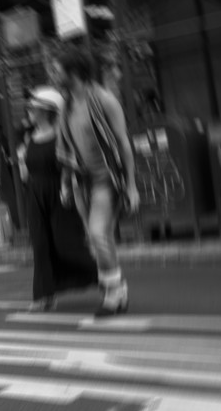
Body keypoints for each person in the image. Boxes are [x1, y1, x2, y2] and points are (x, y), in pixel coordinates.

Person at [56, 50, 138, 317]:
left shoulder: (104, 100)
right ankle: (115, 290)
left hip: (107, 179)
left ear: (73, 73)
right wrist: (66, 183)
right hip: (82, 181)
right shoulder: (67, 105)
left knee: (98, 234)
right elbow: (66, 148)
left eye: (57, 70)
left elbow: (124, 143)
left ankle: (115, 293)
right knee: (97, 240)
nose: (53, 75)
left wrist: (131, 185)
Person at [20, 87, 99, 312]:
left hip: (59, 193)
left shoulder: (61, 135)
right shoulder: (30, 137)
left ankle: (104, 276)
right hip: (35, 195)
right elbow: (26, 171)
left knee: (66, 243)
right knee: (40, 244)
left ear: (47, 111)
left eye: (33, 108)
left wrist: (67, 188)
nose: (29, 112)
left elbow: (69, 165)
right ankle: (44, 296)